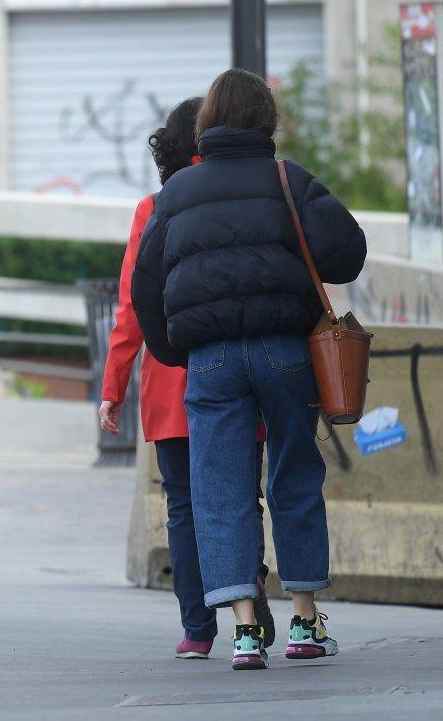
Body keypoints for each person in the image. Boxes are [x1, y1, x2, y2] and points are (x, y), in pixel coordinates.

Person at [132, 69, 366, 670]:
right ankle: (306, 621)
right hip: (285, 350)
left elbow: (145, 288)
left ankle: (242, 629)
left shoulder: (177, 194)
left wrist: (174, 351)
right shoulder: (289, 182)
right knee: (292, 476)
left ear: (208, 122)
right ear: (267, 121)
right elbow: (349, 251)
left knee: (219, 489)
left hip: (210, 359)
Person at [100, 97, 273, 660]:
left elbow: (131, 307)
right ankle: (249, 591)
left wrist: (113, 387)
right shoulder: (254, 193)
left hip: (172, 379)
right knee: (241, 499)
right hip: (242, 370)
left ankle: (198, 629)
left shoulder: (154, 207)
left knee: (183, 505)